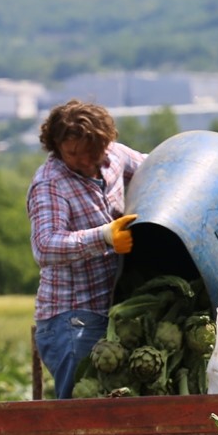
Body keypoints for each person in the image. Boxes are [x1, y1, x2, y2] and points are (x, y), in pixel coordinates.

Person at [28, 100, 146, 399]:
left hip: (114, 312)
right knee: (80, 410)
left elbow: (156, 169)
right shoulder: (51, 184)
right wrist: (104, 236)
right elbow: (45, 245)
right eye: (72, 153)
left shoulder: (116, 157)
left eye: (92, 152)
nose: (83, 160)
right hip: (71, 320)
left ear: (107, 141)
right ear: (55, 147)